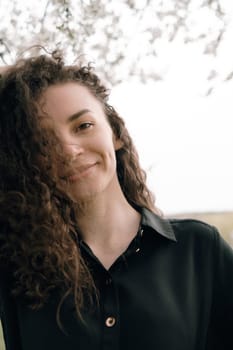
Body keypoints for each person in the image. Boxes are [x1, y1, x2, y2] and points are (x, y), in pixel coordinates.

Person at [0, 51, 233, 350]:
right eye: (43, 142)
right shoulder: (19, 268)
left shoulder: (199, 249)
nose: (69, 151)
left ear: (116, 133)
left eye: (83, 126)